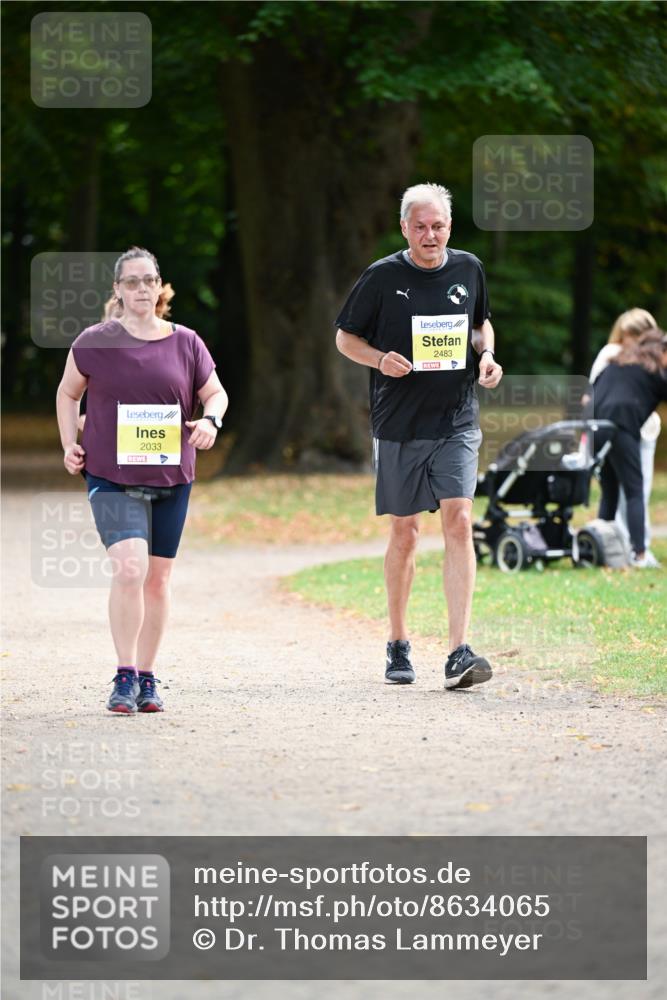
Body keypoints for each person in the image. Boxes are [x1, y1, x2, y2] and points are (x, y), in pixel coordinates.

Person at [335, 182, 503, 689]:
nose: (431, 235)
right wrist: (379, 358)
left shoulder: (468, 268)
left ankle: (458, 651)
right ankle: (399, 640)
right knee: (405, 534)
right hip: (399, 422)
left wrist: (488, 356)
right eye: (421, 226)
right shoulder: (383, 277)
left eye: (439, 226)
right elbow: (345, 338)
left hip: (456, 419)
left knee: (459, 520)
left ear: (449, 227)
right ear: (404, 227)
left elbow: (481, 324)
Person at [56, 247, 228, 713]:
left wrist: (209, 422)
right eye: (131, 282)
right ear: (117, 289)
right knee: (130, 568)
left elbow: (215, 393)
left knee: (157, 579)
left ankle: (148, 677)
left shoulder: (187, 342)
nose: (141, 289)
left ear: (160, 286)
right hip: (110, 475)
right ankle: (124, 673)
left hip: (172, 473)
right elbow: (68, 392)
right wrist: (68, 442)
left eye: (148, 280)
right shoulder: (95, 341)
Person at [588, 308, 661, 565]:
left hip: (597, 423)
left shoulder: (619, 360)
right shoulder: (653, 367)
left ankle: (602, 549)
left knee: (609, 489)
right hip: (622, 425)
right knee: (634, 490)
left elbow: (592, 390)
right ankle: (639, 553)